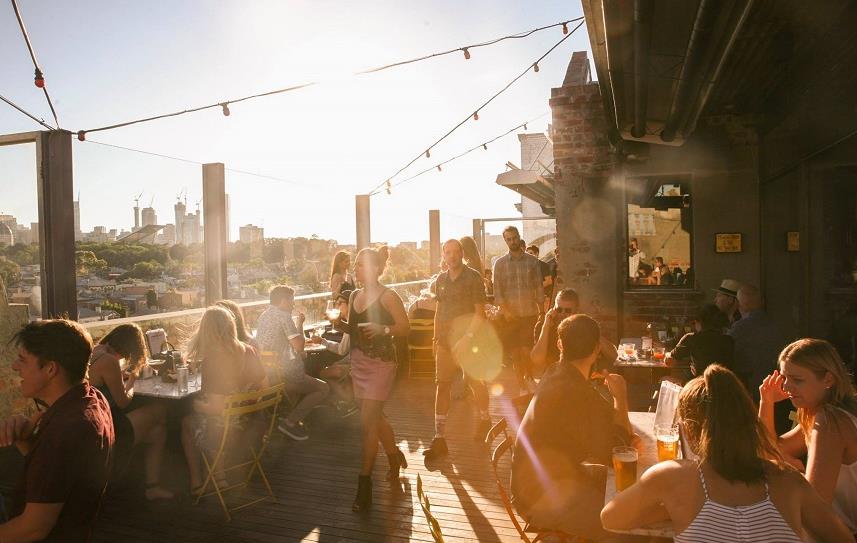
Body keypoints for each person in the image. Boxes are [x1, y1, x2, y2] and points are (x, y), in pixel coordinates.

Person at [602, 364, 853, 543]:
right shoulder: (790, 481)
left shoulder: (672, 477)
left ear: (688, 429)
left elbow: (610, 518)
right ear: (747, 417)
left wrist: (669, 507)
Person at [511, 315, 636, 540]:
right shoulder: (577, 393)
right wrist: (621, 398)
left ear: (560, 345)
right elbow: (616, 452)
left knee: (629, 493)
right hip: (541, 498)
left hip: (538, 482)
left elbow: (601, 425)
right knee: (626, 526)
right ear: (598, 349)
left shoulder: (554, 373)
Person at [0, 319, 114, 542]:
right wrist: (26, 443)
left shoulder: (66, 430)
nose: (14, 367)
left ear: (51, 369)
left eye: (23, 360)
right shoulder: (92, 399)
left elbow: (32, 529)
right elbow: (63, 473)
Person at [333, 246, 410, 513]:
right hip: (359, 364)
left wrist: (383, 328)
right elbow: (354, 331)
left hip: (381, 365)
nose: (357, 269)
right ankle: (393, 457)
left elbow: (405, 327)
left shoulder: (389, 297)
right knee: (375, 418)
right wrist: (338, 325)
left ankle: (364, 487)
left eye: (362, 265)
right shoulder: (354, 295)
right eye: (356, 265)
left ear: (377, 268)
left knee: (367, 424)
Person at [759, 339, 857, 535]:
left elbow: (815, 507)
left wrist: (792, 472)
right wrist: (767, 401)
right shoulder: (819, 413)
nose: (786, 387)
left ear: (828, 380)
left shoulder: (830, 422)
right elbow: (770, 450)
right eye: (785, 378)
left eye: (797, 380)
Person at [181, 306, 266, 496]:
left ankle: (197, 482)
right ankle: (219, 477)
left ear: (206, 330)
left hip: (230, 429)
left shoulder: (214, 360)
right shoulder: (249, 350)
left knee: (188, 422)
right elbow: (263, 387)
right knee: (215, 419)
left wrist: (196, 405)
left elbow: (216, 409)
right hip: (253, 423)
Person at [88, 323, 173, 500]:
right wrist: (132, 381)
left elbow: (104, 380)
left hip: (96, 420)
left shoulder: (96, 351)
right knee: (159, 411)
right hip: (110, 424)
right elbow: (123, 402)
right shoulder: (109, 361)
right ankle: (123, 467)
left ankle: (151, 487)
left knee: (158, 432)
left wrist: (120, 376)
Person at [423, 240, 490, 461]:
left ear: (462, 253)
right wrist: (434, 338)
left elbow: (480, 314)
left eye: (455, 252)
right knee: (442, 386)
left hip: (470, 341)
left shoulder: (473, 278)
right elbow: (438, 311)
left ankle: (485, 418)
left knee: (473, 382)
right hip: (445, 342)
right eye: (447, 252)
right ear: (443, 255)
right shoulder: (440, 280)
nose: (451, 256)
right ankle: (439, 437)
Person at [255, 285, 329, 441]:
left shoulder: (263, 316)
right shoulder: (283, 315)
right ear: (283, 301)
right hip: (284, 376)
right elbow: (299, 345)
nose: (293, 305)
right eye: (291, 301)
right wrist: (300, 324)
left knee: (300, 374)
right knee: (323, 388)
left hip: (268, 375)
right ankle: (289, 423)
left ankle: (290, 422)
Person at [492, 226, 544, 394]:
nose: (513, 241)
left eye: (514, 238)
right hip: (510, 316)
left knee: (526, 350)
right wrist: (506, 312)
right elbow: (497, 291)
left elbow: (538, 287)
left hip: (529, 313)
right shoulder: (499, 264)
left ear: (519, 237)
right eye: (509, 239)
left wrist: (542, 311)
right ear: (505, 240)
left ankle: (528, 378)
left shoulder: (532, 262)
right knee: (515, 353)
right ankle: (521, 384)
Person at [729, 285, 787, 401]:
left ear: (740, 305)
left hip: (749, 384)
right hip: (777, 381)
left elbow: (731, 354)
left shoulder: (739, 327)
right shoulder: (778, 325)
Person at [309, 290, 358, 417]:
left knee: (321, 372)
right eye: (336, 303)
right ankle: (345, 400)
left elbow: (342, 350)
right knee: (330, 368)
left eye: (341, 303)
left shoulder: (350, 324)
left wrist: (323, 341)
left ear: (350, 305)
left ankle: (349, 402)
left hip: (355, 365)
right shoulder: (352, 322)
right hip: (357, 362)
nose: (337, 307)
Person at [669, 304, 734, 377]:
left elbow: (670, 360)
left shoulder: (691, 338)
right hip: (723, 385)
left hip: (699, 384)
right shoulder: (729, 340)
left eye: (694, 322)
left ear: (698, 322)